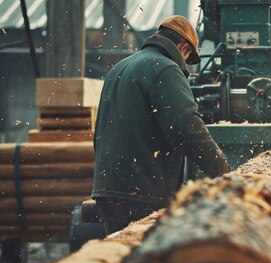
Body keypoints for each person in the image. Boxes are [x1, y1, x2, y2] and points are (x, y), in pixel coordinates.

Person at [92, 16, 230, 234]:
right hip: (141, 191)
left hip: (108, 188)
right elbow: (186, 126)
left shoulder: (120, 67)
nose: (184, 64)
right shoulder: (165, 68)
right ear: (183, 47)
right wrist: (222, 171)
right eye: (186, 58)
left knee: (122, 258)